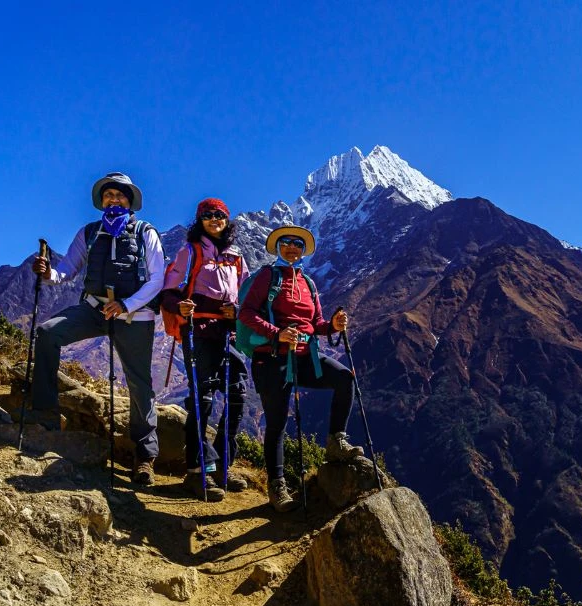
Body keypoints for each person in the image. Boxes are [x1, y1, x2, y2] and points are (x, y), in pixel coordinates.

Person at [29, 172, 164, 486]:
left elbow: (157, 278)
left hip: (134, 315)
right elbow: (66, 272)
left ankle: (144, 457)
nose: (114, 199)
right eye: (109, 195)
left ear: (130, 201)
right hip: (93, 308)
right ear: (102, 200)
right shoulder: (90, 232)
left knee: (140, 383)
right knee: (48, 333)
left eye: (120, 195)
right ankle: (46, 412)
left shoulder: (146, 232)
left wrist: (126, 304)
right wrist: (48, 272)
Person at [238, 224, 363, 512]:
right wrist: (276, 333)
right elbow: (245, 313)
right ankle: (277, 486)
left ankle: (336, 441)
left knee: (345, 378)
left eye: (297, 243)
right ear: (278, 247)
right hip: (272, 359)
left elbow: (315, 323)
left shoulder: (308, 282)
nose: (292, 247)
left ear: (303, 249)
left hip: (305, 357)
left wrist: (332, 325)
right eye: (286, 242)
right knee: (278, 422)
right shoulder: (268, 277)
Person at [161, 198, 249, 501]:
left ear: (227, 220)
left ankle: (224, 463)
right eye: (208, 215)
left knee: (237, 393)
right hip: (198, 328)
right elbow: (168, 293)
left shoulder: (236, 257)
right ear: (200, 220)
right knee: (204, 396)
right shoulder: (190, 251)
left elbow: (245, 296)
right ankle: (199, 471)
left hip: (228, 332)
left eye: (220, 215)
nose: (214, 219)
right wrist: (180, 306)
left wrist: (236, 311)